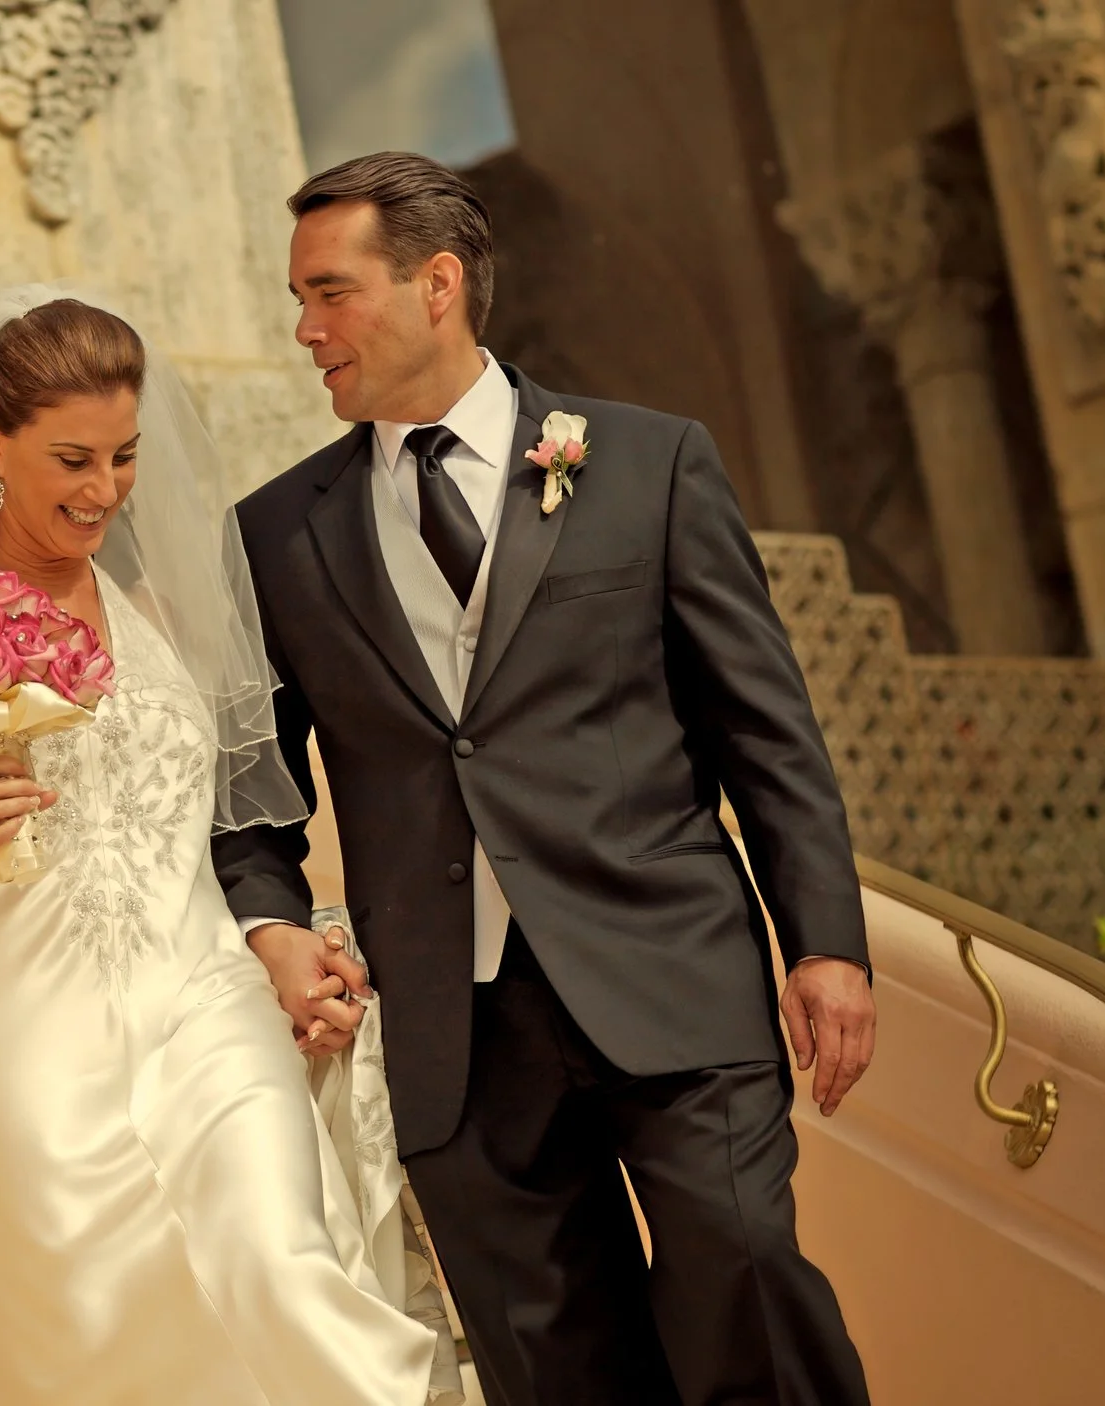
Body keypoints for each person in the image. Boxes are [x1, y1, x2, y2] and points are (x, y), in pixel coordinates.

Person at [215, 151, 878, 1405]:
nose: (305, 329)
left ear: (438, 284)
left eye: (329, 292)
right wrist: (274, 922)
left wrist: (824, 942)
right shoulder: (274, 535)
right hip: (458, 1031)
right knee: (555, 1367)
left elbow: (766, 729)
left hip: (668, 971)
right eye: (298, 299)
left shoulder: (645, 461)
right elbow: (250, 791)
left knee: (745, 1282)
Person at [0, 289, 463, 1405]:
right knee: (98, 1336)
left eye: (121, 456)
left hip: (204, 999)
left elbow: (222, 827)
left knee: (279, 1262)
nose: (104, 489)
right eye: (71, 457)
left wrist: (282, 939)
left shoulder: (164, 609)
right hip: (29, 1029)